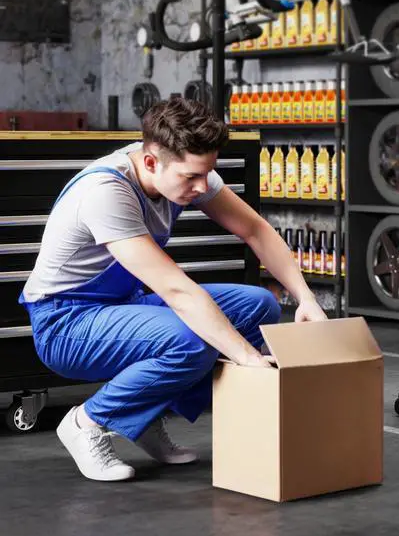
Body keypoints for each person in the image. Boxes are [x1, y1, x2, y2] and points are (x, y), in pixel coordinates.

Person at [19, 97, 326, 482]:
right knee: (194, 340)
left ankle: (145, 415)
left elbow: (255, 230)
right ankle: (87, 423)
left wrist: (306, 298)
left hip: (124, 305)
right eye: (191, 177)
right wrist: (247, 357)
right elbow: (177, 291)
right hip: (65, 323)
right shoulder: (106, 192)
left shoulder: (185, 169)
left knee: (259, 306)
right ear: (151, 162)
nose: (203, 186)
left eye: (207, 173)